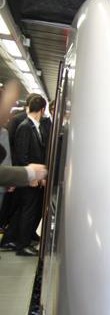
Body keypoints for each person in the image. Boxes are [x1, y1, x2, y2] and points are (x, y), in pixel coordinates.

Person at [4, 95, 48, 256]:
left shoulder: (35, 126)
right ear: (42, 110)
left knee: (26, 210)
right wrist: (30, 177)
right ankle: (22, 246)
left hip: (33, 177)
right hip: (29, 179)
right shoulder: (25, 127)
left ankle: (18, 240)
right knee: (27, 211)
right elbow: (22, 155)